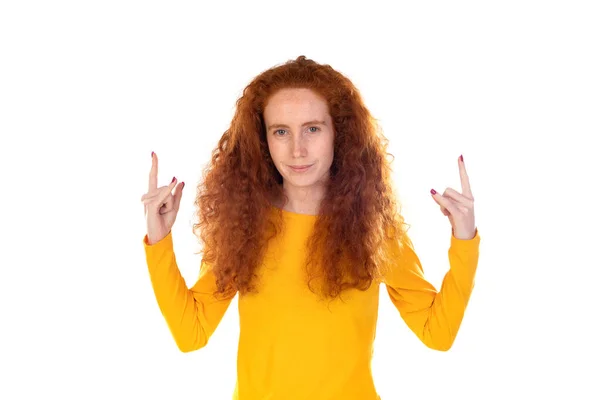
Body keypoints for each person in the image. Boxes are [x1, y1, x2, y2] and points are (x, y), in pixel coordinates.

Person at [141, 55, 480, 400]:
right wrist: (160, 239)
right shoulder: (242, 229)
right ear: (264, 140)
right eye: (281, 132)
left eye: (313, 129)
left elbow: (437, 333)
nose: (297, 150)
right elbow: (191, 333)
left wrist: (464, 239)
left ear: (339, 134)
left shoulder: (375, 230)